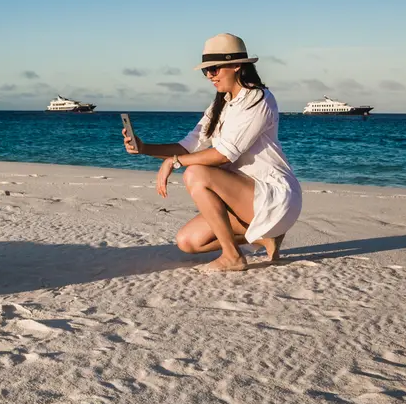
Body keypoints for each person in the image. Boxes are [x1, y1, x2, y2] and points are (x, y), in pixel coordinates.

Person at [123, 33, 302, 272]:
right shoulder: (221, 103)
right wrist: (144, 148)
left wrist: (174, 163)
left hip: (274, 195)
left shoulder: (259, 99)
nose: (209, 76)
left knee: (195, 173)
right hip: (242, 196)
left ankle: (233, 256)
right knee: (188, 242)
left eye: (215, 69)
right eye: (205, 71)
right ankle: (264, 238)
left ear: (237, 65)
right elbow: (188, 146)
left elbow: (224, 155)